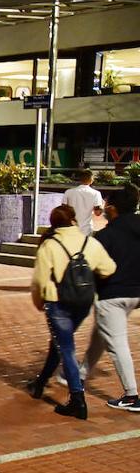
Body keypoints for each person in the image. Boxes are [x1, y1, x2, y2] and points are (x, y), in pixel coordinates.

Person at [27, 205, 116, 419]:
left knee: (65, 347)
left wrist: (39, 303)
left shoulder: (49, 244)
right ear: (74, 220)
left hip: (57, 302)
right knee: (59, 342)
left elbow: (39, 281)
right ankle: (40, 383)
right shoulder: (89, 242)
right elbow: (109, 268)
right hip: (83, 303)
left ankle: (77, 398)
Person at [81, 189, 140, 411]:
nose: (104, 207)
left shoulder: (106, 236)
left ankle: (132, 396)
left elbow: (95, 267)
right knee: (102, 333)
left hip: (113, 295)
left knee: (117, 343)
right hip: (137, 292)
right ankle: (78, 375)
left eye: (107, 204)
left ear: (113, 208)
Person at [62, 169, 104, 235]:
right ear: (91, 180)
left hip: (70, 229)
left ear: (80, 179)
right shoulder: (96, 193)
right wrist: (102, 206)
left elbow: (62, 210)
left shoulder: (68, 192)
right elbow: (97, 213)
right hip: (86, 230)